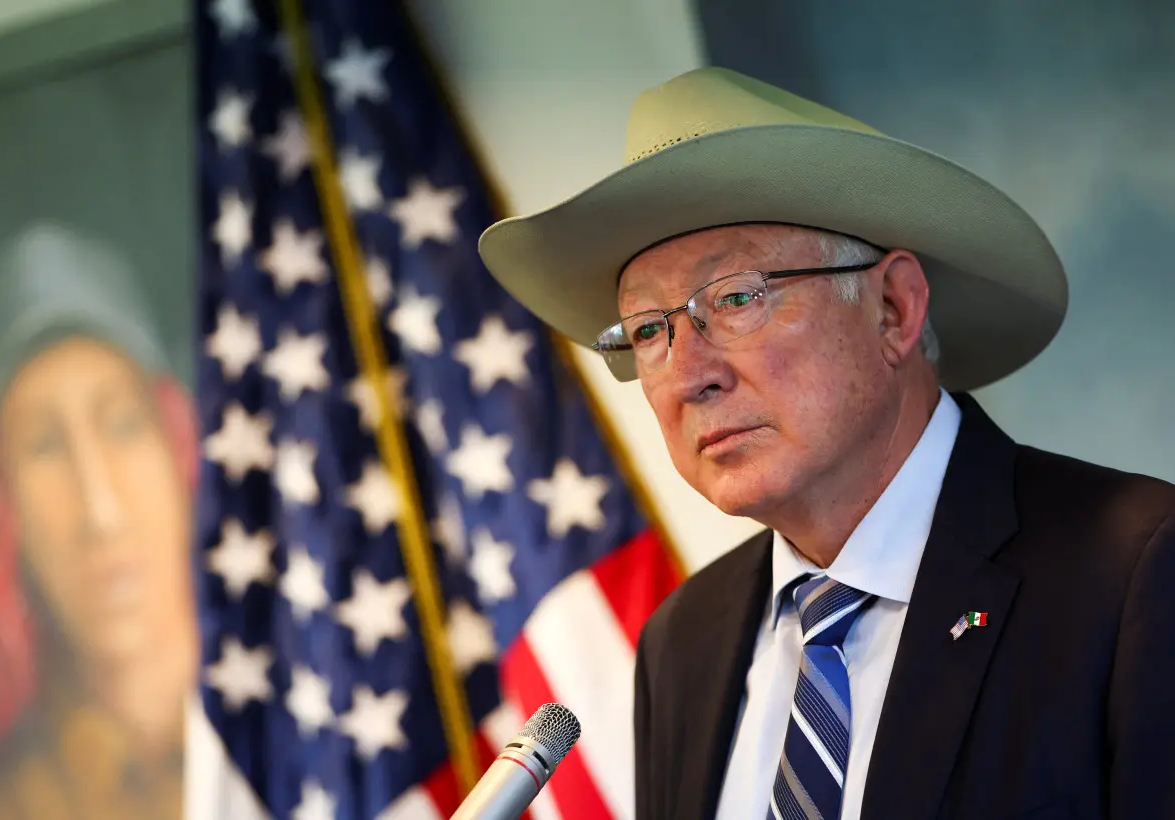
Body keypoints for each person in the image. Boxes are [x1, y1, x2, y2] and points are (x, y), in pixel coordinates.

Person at [477, 67, 1175, 819]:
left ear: (893, 308)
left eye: (737, 297)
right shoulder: (682, 644)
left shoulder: (1136, 571)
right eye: (650, 331)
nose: (686, 376)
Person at [0, 222, 199, 820]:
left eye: (123, 425)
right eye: (43, 448)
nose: (100, 511)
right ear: (2, 516)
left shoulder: (312, 719)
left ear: (180, 452)